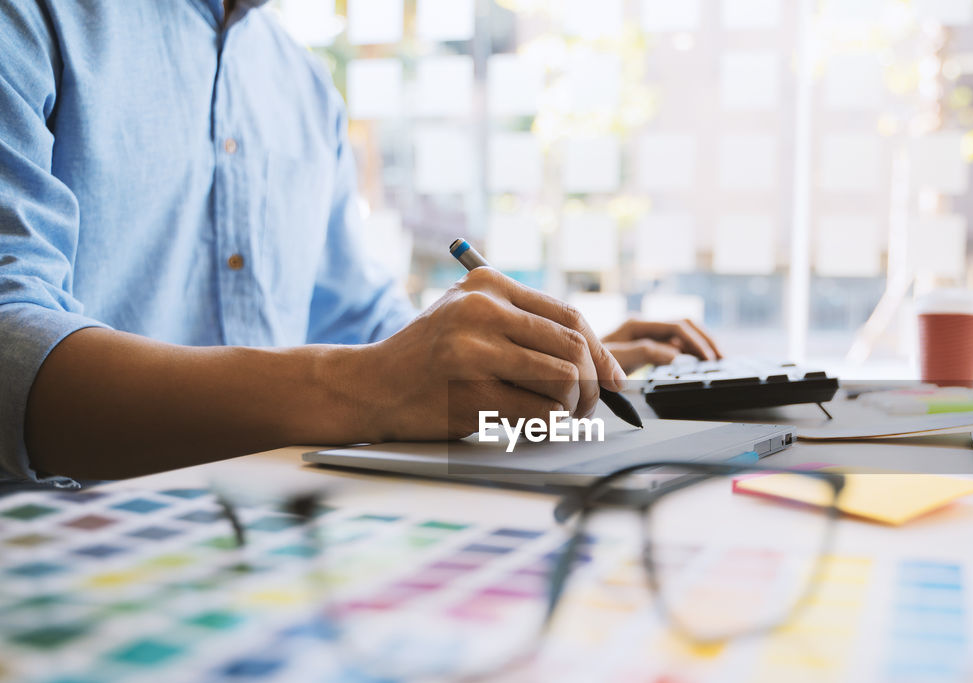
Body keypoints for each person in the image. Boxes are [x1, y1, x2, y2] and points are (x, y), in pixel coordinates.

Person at [0, 0, 721, 487]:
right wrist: (369, 386)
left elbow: (363, 327)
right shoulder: (29, 18)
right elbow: (10, 353)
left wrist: (529, 359)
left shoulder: (304, 86)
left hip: (276, 540)